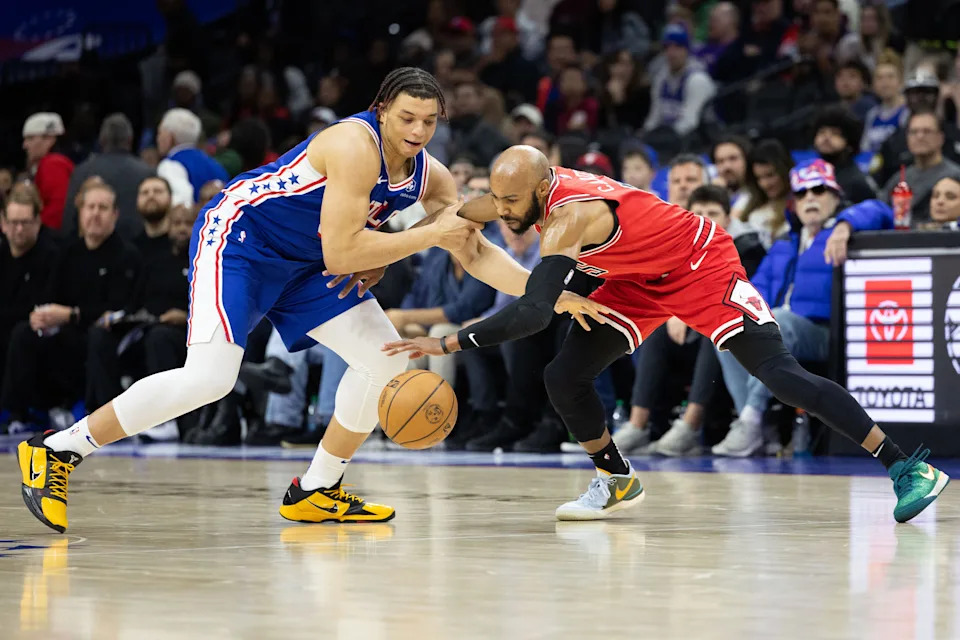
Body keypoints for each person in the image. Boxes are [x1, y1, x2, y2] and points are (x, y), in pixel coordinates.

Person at [17, 68, 599, 533]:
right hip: (243, 240)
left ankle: (317, 489)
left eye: (428, 120)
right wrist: (410, 241)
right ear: (381, 110)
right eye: (407, 118)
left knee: (390, 357)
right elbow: (348, 252)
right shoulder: (353, 144)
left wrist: (546, 293)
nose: (418, 130)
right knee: (211, 377)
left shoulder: (431, 175)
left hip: (307, 263)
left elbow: (471, 250)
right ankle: (58, 452)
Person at [384, 145, 950, 523]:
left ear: (544, 186)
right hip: (635, 277)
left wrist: (448, 343)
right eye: (499, 199)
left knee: (782, 377)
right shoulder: (520, 192)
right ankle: (616, 479)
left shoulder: (567, 219)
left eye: (513, 202)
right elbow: (469, 210)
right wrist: (404, 231)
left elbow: (533, 313)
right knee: (564, 375)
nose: (504, 212)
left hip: (701, 265)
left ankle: (907, 466)